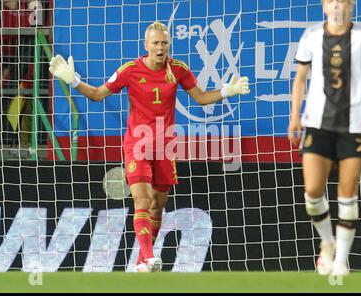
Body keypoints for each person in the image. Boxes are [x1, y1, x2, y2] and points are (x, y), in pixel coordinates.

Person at [49, 21, 250, 272]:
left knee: (157, 206)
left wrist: (226, 90)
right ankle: (148, 255)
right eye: (155, 43)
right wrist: (74, 80)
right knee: (142, 201)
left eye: (164, 43)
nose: (160, 47)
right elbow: (98, 94)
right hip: (138, 144)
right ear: (146, 45)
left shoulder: (178, 69)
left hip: (165, 147)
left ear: (169, 45)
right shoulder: (130, 70)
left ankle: (144, 261)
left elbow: (200, 98)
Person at [288, 0, 361, 276]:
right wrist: (294, 116)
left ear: (352, 5)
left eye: (343, 1)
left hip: (354, 126)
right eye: (332, 1)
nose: (337, 6)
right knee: (312, 192)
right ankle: (327, 243)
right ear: (324, 5)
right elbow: (300, 78)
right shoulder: (311, 36)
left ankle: (341, 262)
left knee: (347, 194)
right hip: (317, 125)